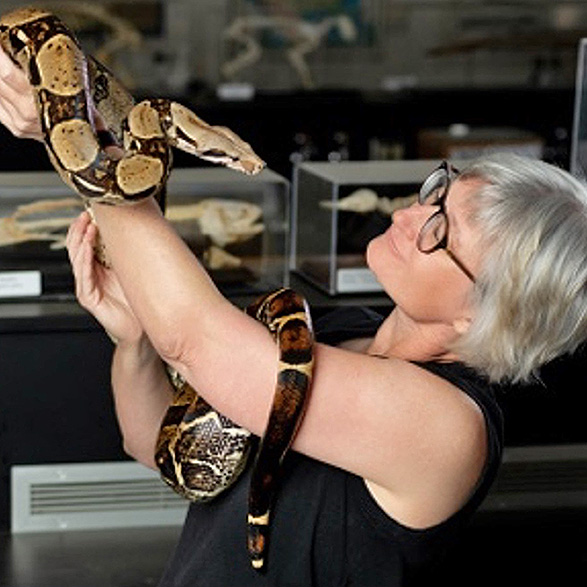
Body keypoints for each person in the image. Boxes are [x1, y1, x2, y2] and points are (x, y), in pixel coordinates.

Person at [2, 48, 587, 586]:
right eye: (436, 195)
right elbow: (161, 450)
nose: (411, 215)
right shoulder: (328, 330)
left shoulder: (446, 427)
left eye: (441, 230)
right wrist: (131, 343)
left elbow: (194, 341)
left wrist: (79, 140)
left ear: (484, 314)